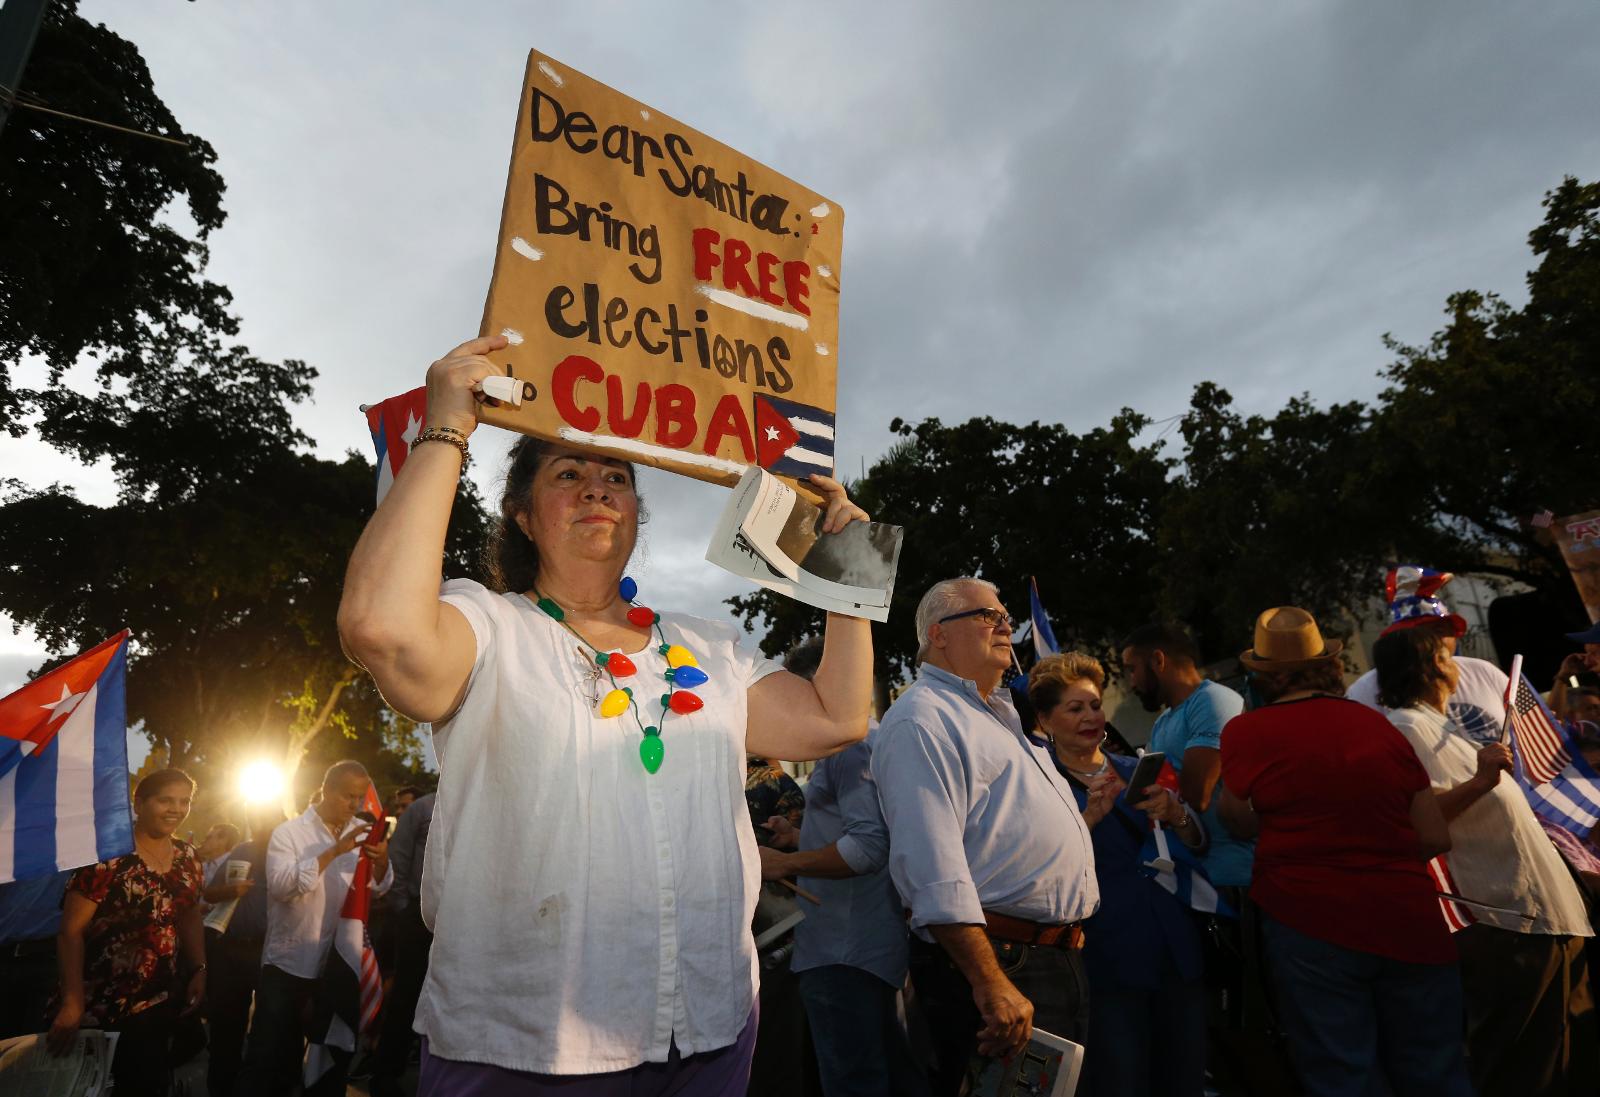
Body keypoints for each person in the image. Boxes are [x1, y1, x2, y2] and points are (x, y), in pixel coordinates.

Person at [336, 335, 875, 1093]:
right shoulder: (486, 623)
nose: (597, 488)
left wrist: (847, 572)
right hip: (526, 1047)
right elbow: (379, 629)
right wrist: (447, 428)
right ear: (523, 516)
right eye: (569, 473)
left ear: (636, 512)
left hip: (710, 1031)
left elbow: (837, 718)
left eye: (615, 476)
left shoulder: (708, 646)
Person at [1216, 607, 1472, 1096]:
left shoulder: (1246, 733)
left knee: (1342, 1073)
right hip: (1408, 919)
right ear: (1326, 664)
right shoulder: (1378, 726)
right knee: (1437, 1072)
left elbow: (1237, 818)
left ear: (1264, 675)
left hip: (1308, 923)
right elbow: (1436, 837)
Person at [872, 578, 1111, 1097]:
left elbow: (1007, 837)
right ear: (938, 634)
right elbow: (932, 869)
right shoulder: (922, 719)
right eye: (987, 616)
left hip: (1047, 957)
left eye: (1005, 615)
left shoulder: (998, 716)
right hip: (1001, 962)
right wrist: (989, 981)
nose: (1006, 625)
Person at [1375, 624, 1596, 1096]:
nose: (1455, 661)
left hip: (1541, 915)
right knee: (1521, 1066)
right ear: (1434, 664)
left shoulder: (1439, 725)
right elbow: (1416, 825)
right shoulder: (1406, 728)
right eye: (1446, 653)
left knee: (1569, 1055)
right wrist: (1478, 782)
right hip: (1505, 920)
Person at [1026, 652, 1209, 1097]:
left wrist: (1177, 813)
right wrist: (1087, 819)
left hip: (1175, 951)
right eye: (1075, 708)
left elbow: (1199, 845)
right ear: (1047, 721)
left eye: (1094, 704)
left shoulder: (1138, 767)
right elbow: (1036, 871)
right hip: (1105, 959)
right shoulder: (1038, 784)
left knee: (1184, 1076)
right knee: (1121, 1078)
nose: (1091, 716)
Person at [759, 638, 926, 1097]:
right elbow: (872, 831)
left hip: (843, 952)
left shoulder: (848, 748)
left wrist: (783, 863)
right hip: (866, 947)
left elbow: (867, 848)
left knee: (856, 1084)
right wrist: (799, 836)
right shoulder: (873, 739)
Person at [46, 768, 206, 1097]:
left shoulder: (189, 857)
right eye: (165, 800)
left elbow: (190, 915)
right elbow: (70, 932)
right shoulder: (107, 853)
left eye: (184, 801)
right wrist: (72, 1002)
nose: (176, 809)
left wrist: (200, 968)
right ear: (139, 802)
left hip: (157, 1003)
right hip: (97, 1005)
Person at [236, 760, 392, 1097]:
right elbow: (280, 887)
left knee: (330, 1060)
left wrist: (381, 862)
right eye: (347, 796)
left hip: (338, 963)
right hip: (289, 962)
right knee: (270, 1056)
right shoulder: (289, 833)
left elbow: (378, 889)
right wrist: (334, 851)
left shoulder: (362, 832)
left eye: (359, 797)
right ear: (326, 791)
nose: (354, 804)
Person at [1119, 622, 1251, 890]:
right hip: (1197, 880)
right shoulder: (1163, 721)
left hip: (1237, 880)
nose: (1131, 683)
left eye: (1133, 669)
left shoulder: (1213, 701)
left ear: (1158, 660)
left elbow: (1196, 796)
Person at [1347, 565, 1509, 742]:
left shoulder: (1483, 672)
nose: (1437, 641)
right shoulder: (1364, 691)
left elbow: (1529, 724)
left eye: (1442, 630)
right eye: (1424, 633)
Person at [202, 802, 285, 1097]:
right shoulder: (242, 851)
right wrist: (230, 891)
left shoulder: (292, 855)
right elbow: (209, 892)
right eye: (257, 819)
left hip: (273, 955)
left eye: (270, 819)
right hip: (232, 953)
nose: (263, 825)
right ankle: (221, 1089)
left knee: (269, 1032)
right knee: (226, 1028)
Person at [370, 789, 435, 1097]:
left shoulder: (477, 805)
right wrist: (404, 910)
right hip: (417, 917)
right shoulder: (422, 809)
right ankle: (385, 1075)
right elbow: (399, 857)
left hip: (457, 921)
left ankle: (433, 1078)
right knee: (406, 997)